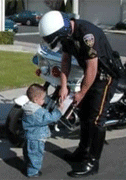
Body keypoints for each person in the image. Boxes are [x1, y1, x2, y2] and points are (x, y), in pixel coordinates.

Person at [38, 11, 120, 177]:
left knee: (96, 119)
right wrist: (63, 86)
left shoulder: (86, 34)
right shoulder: (67, 35)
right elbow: (65, 61)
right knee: (84, 115)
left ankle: (92, 162)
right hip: (91, 76)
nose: (60, 43)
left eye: (58, 39)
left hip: (106, 77)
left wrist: (81, 93)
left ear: (62, 31)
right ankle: (82, 152)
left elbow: (92, 67)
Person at [21, 83, 62, 178]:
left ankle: (28, 165)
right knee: (36, 155)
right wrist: (59, 110)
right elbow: (50, 118)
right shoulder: (38, 112)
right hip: (37, 138)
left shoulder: (29, 107)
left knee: (28, 153)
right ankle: (33, 172)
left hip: (28, 136)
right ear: (36, 100)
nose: (44, 101)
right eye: (43, 99)